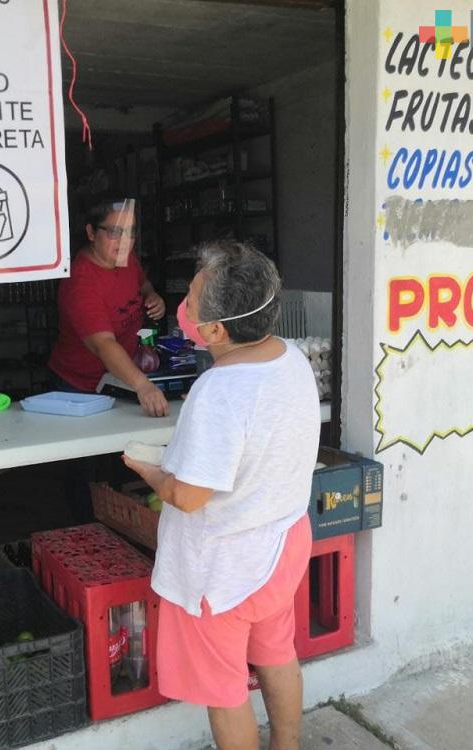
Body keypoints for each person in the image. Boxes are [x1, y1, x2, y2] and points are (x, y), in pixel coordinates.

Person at [123, 241, 320, 750]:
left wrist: (150, 471)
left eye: (190, 301)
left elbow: (188, 496)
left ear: (215, 331)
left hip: (225, 568)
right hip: (281, 546)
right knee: (276, 653)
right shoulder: (291, 358)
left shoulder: (220, 389)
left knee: (225, 687)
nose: (183, 308)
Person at [48, 196, 169, 418]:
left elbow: (142, 282)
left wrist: (152, 295)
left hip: (121, 379)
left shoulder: (125, 257)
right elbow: (103, 344)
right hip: (80, 388)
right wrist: (143, 385)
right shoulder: (81, 283)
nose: (125, 241)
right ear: (91, 233)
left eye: (130, 232)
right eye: (115, 232)